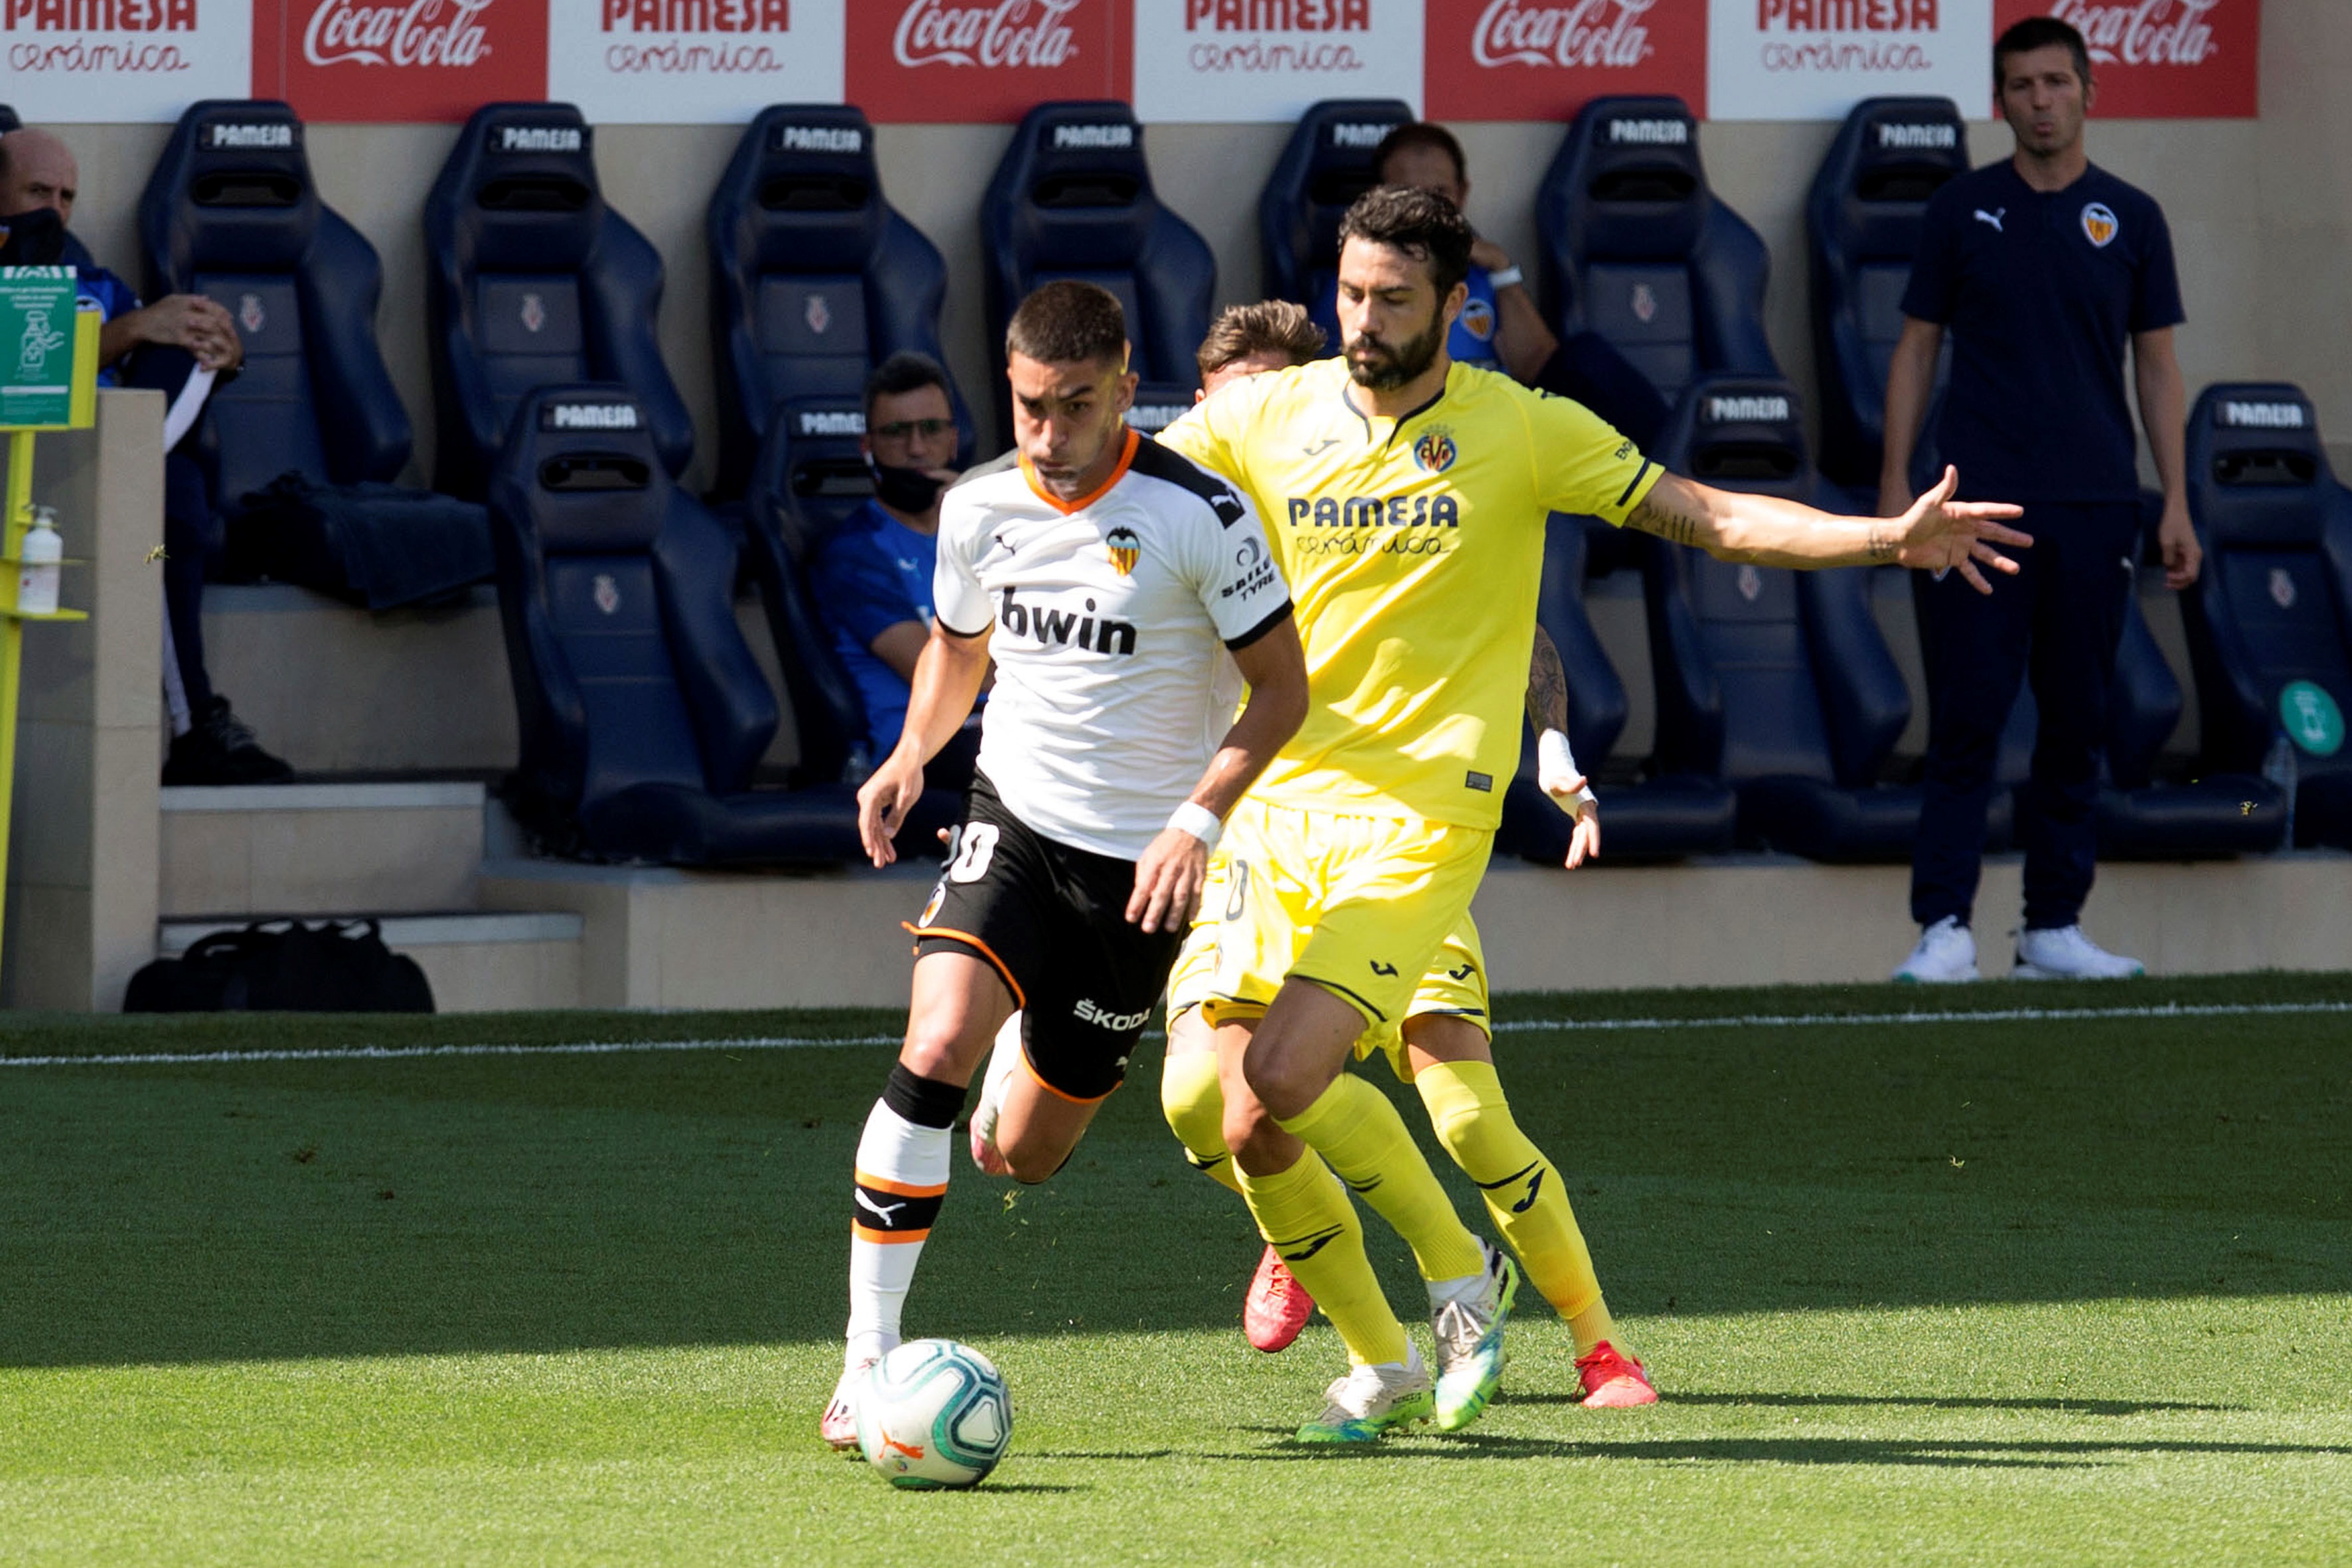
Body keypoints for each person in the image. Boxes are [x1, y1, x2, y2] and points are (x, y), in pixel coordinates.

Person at [1155, 185, 2029, 1443]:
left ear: (1456, 309)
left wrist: (1884, 540)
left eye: (1392, 299)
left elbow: (1709, 512)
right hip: (1276, 809)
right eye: (1348, 293)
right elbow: (1110, 489)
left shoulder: (1520, 427)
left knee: (1313, 1082)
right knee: (1217, 1105)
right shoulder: (1266, 412)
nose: (1361, 320)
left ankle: (1489, 1287)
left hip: (1416, 819)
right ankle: (1385, 1354)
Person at [819, 281, 1309, 1450]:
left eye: (1075, 406)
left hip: (1141, 874)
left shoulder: (1202, 514)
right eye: (1030, 406)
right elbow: (956, 649)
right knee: (930, 1043)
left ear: (1125, 387)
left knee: (1021, 1155)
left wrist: (1196, 819)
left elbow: (1282, 692)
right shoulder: (980, 504)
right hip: (1015, 823)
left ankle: (1022, 1048)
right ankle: (863, 1362)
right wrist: (907, 758)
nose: (1048, 434)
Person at [1142, 300, 1636, 1423]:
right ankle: (1315, 1234)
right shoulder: (1178, 528)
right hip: (1264, 841)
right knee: (1198, 1104)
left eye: (1270, 398)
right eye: (1228, 406)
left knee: (1466, 1119)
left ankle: (1595, 1342)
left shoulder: (1362, 496)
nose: (1248, 424)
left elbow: (1509, 628)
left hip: (1398, 835)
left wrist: (1549, 745)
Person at [1880, 16, 2201, 984]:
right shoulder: (1959, 209)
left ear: (2086, 91)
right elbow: (1915, 346)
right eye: (2021, 85)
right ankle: (1942, 927)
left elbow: (2156, 368)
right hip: (1973, 507)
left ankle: (2051, 925)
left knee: (2075, 718)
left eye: (2056, 82)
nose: (2040, 100)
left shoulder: (2131, 216)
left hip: (2098, 502)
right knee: (1968, 716)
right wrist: (1895, 488)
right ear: (2000, 102)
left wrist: (2173, 500)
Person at [0, 127, 289, 786]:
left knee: (168, 487)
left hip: (98, 481)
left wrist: (221, 347)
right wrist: (131, 328)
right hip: (23, 465)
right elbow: (16, 368)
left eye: (69, 195)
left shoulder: (92, 283)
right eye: (38, 190)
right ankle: (196, 726)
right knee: (158, 489)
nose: (57, 209)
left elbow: (165, 342)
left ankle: (127, 465)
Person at [1373, 121, 1670, 451]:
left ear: (1462, 194)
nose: (1425, 207)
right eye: (1408, 194)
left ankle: (1678, 464)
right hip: (1413, 434)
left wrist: (1501, 269)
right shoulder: (1361, 279)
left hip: (1496, 433)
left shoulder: (1483, 273)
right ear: (1379, 196)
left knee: (1587, 359)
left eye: (1440, 193)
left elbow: (1537, 363)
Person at [806, 352, 977, 789]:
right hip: (923, 753)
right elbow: (944, 674)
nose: (917, 448)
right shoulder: (854, 554)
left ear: (953, 441)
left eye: (931, 429)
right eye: (897, 433)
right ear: (869, 447)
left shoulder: (985, 532)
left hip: (998, 728)